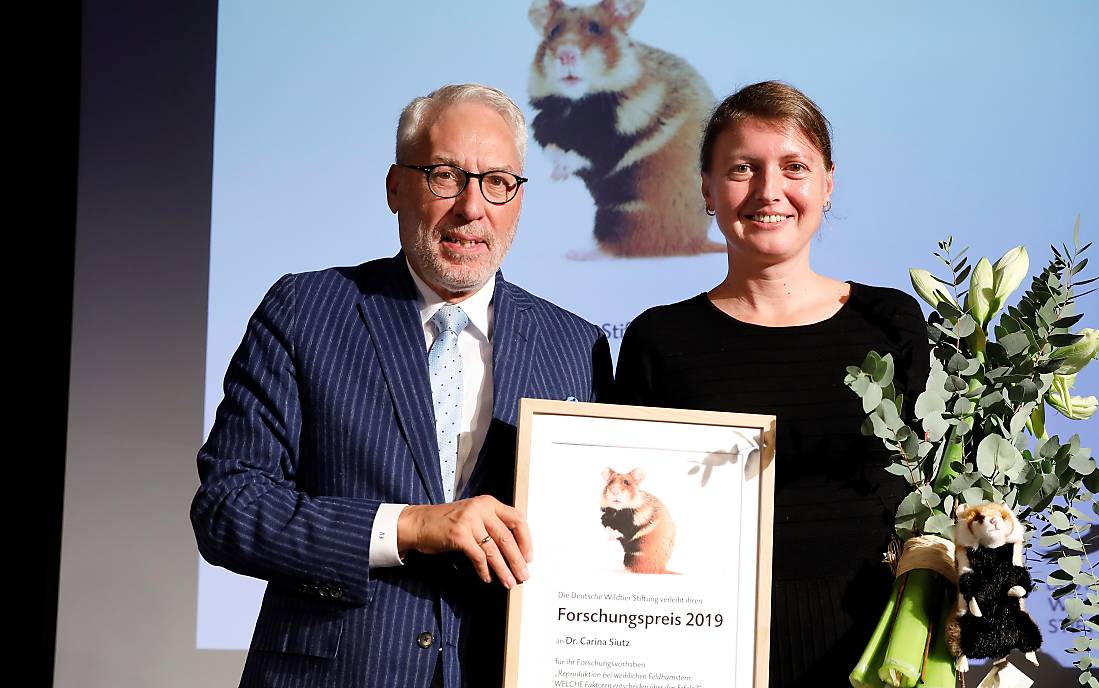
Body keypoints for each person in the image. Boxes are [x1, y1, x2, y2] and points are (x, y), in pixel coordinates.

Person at [191, 83, 613, 688]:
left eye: (498, 182)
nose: (473, 207)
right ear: (395, 187)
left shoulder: (576, 346)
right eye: (445, 175)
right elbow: (229, 507)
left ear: (519, 198)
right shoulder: (305, 310)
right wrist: (410, 526)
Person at [613, 81, 930, 686]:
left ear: (827, 184)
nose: (769, 191)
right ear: (706, 188)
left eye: (793, 167)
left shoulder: (891, 322)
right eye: (742, 169)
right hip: (707, 647)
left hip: (877, 650)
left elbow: (941, 497)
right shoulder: (659, 339)